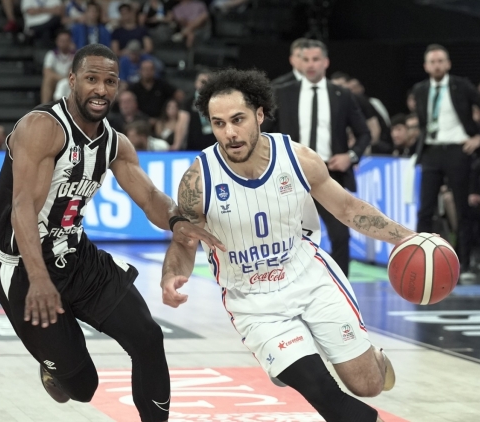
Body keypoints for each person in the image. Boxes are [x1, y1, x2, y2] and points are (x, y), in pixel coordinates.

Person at [160, 68, 414, 422]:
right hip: (252, 300)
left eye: (238, 120)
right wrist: (171, 274)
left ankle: (366, 356)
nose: (229, 133)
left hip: (309, 279)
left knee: (368, 386)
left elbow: (347, 208)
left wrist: (408, 237)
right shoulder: (198, 179)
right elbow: (185, 240)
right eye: (219, 124)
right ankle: (288, 356)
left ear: (259, 114)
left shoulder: (298, 158)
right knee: (323, 393)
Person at [0, 44, 223, 422]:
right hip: (23, 267)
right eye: (91, 79)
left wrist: (178, 221)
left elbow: (149, 196)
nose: (101, 89)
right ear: (72, 81)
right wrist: (39, 278)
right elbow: (22, 210)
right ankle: (54, 366)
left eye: (110, 81)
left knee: (148, 337)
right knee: (83, 388)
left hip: (77, 256)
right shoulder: (42, 128)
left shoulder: (115, 143)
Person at [265, 39, 372, 277]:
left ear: (326, 62)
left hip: (330, 174)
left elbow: (364, 133)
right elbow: (265, 132)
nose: (311, 64)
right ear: (299, 62)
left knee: (340, 235)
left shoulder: (342, 95)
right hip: (291, 174)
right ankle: (286, 286)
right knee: (284, 237)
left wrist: (350, 156)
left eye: (315, 59)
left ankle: (341, 287)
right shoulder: (283, 93)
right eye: (306, 59)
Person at [412, 43, 480, 282]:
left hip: (458, 149)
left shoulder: (461, 85)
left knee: (461, 208)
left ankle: (463, 263)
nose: (437, 65)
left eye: (440, 61)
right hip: (431, 150)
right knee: (425, 209)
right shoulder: (420, 89)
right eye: (432, 62)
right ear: (426, 66)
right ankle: (422, 262)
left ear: (448, 64)